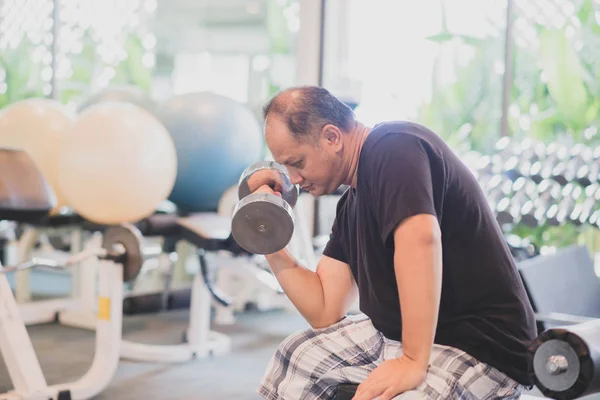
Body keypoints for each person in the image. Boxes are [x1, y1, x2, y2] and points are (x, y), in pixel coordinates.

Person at [252, 86, 538, 400]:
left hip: (480, 345)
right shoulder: (351, 205)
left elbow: (421, 239)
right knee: (296, 356)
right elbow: (323, 308)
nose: (293, 178)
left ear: (332, 138)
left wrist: (412, 361)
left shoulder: (393, 147)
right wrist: (267, 236)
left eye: (297, 162)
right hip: (398, 338)